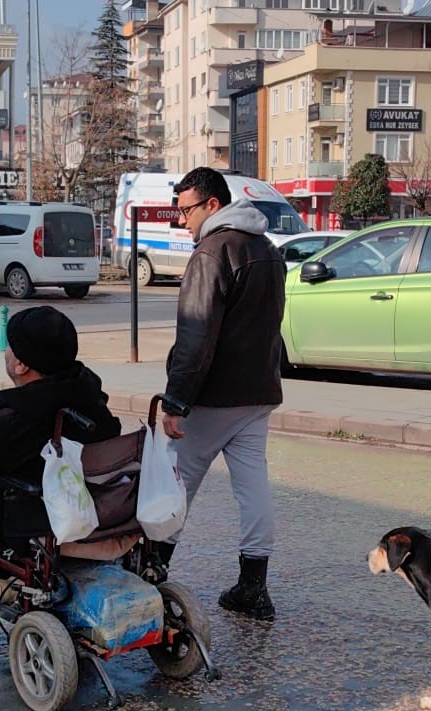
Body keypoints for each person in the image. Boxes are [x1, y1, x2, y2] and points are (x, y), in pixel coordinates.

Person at [154, 166, 287, 622]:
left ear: (213, 205)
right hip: (259, 389)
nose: (182, 220)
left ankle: (149, 575)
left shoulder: (211, 253)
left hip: (213, 396)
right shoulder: (267, 250)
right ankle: (254, 585)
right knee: (253, 487)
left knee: (174, 482)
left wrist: (175, 401)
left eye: (187, 210)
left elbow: (196, 334)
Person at [0, 306, 121, 561]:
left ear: (20, 365)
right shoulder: (87, 392)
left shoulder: (21, 415)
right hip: (103, 510)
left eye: (9, 346)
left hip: (44, 519)